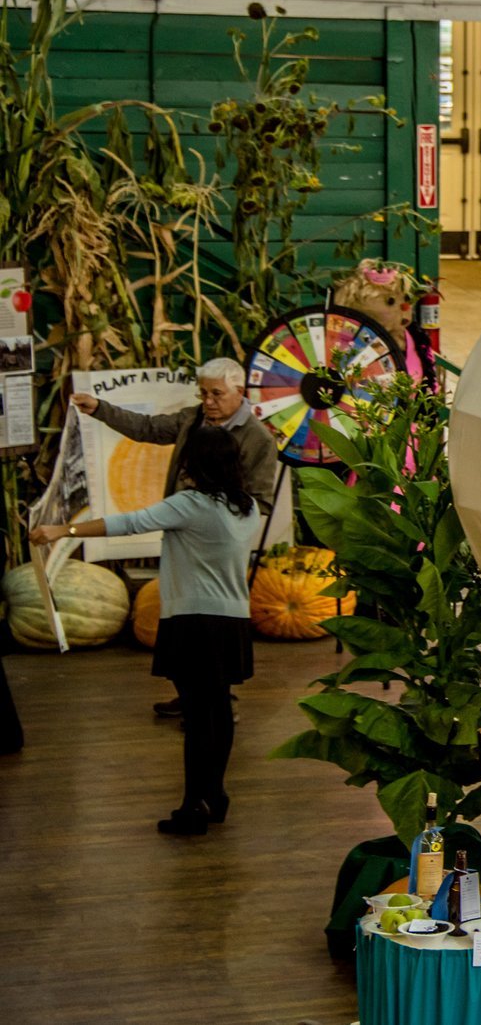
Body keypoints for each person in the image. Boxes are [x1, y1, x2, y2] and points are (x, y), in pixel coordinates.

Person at [31, 427, 259, 836]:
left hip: (194, 621)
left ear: (193, 461)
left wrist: (60, 531)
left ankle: (193, 807)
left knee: (196, 716)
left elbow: (129, 523)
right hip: (233, 622)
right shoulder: (247, 508)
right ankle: (216, 795)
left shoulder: (191, 504)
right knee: (218, 711)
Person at [71, 358, 277, 718]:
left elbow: (261, 499)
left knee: (210, 615)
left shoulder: (256, 437)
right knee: (180, 611)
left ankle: (217, 701)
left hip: (218, 539)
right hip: (184, 527)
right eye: (204, 393)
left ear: (239, 393)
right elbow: (147, 427)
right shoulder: (192, 419)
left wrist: (225, 520)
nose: (209, 401)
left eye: (217, 394)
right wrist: (100, 409)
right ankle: (191, 696)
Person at [332, 259, 438, 390]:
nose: (405, 306)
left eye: (406, 298)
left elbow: (429, 383)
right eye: (390, 301)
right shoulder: (349, 344)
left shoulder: (415, 340)